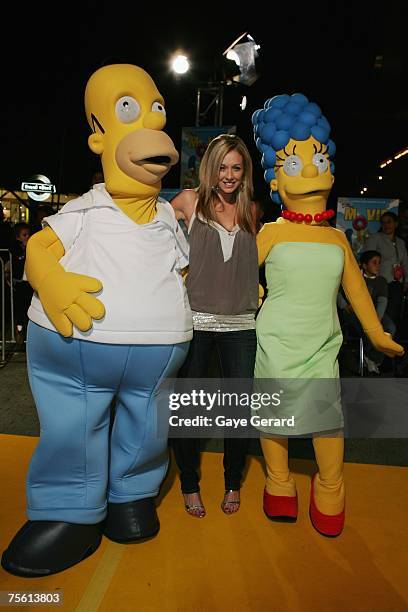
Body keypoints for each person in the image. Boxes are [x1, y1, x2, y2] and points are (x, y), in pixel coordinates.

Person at [1, 64, 192, 577]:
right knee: (75, 423)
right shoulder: (83, 211)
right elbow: (40, 250)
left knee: (146, 425)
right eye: (129, 110)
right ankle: (69, 512)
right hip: (80, 348)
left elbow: (184, 263)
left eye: (157, 110)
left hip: (154, 357)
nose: (152, 125)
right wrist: (55, 282)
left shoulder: (168, 218)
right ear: (99, 134)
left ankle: (132, 493)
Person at [252, 93, 403, 537]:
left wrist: (376, 334)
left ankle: (331, 487)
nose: (312, 170)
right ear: (275, 180)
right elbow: (240, 276)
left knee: (326, 416)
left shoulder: (337, 239)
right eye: (296, 164)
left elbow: (356, 291)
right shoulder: (269, 233)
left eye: (318, 158)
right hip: (276, 340)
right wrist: (254, 290)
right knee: (275, 414)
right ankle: (280, 484)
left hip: (322, 343)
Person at [170, 134, 258, 517]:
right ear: (210, 168)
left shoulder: (252, 211)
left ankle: (232, 482)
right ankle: (189, 483)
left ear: (245, 171)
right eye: (222, 166)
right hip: (196, 323)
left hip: (242, 326)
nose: (229, 175)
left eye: (236, 167)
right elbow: (153, 236)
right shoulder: (188, 201)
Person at [338, 250, 395, 374]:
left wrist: (378, 319)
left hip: (374, 313)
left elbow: (382, 301)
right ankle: (367, 357)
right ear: (364, 265)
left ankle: (373, 358)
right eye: (374, 263)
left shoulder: (381, 281)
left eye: (379, 263)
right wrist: (344, 306)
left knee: (390, 328)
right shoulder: (355, 278)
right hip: (355, 313)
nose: (378, 266)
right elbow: (338, 292)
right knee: (366, 328)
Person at [363, 211, 408, 338]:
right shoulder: (376, 238)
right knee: (382, 314)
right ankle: (376, 346)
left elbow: (405, 263)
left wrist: (406, 280)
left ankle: (389, 347)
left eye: (389, 222)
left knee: (394, 315)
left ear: (396, 224)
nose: (386, 225)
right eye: (383, 222)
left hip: (397, 284)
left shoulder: (400, 242)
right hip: (381, 283)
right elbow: (368, 258)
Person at [7, 223, 33, 346]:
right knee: (19, 309)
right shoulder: (15, 249)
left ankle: (29, 335)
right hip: (19, 283)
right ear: (18, 237)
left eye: (28, 234)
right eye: (24, 235)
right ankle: (19, 332)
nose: (27, 237)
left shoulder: (33, 248)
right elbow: (18, 260)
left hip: (30, 283)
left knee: (29, 308)